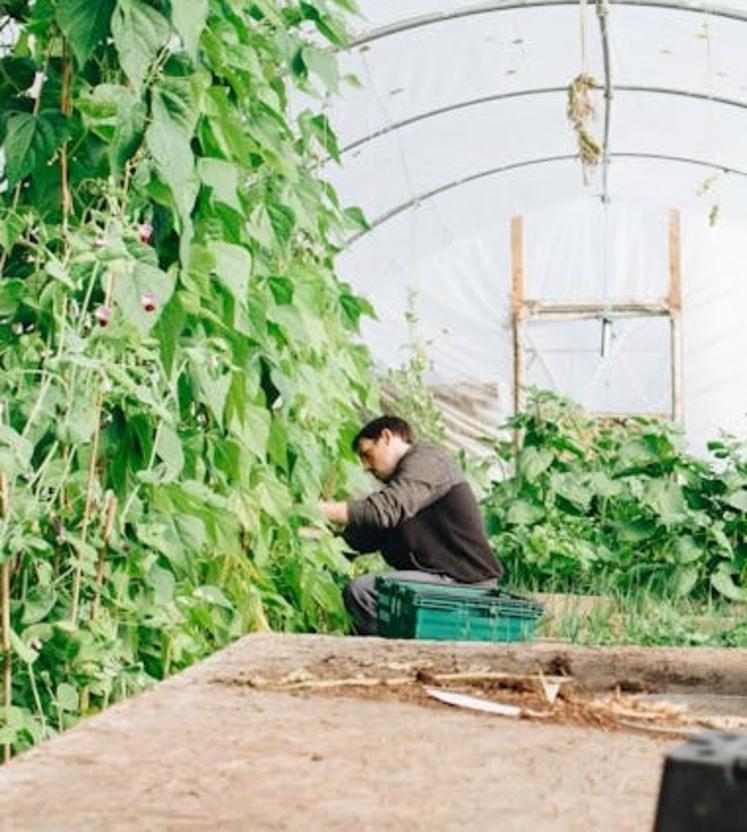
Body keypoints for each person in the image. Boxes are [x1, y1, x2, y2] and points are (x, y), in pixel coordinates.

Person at [319, 415, 503, 635]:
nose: (365, 467)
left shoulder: (428, 462)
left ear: (386, 437)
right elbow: (361, 537)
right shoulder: (405, 486)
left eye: (367, 454)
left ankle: (378, 660)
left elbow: (383, 510)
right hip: (443, 580)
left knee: (362, 591)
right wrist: (320, 548)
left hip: (466, 584)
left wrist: (319, 509)